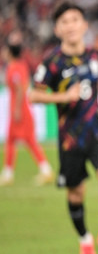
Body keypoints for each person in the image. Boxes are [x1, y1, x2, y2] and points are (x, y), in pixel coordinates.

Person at [29, 1, 98, 254]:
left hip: (97, 128)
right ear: (57, 29)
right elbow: (33, 93)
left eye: (75, 20)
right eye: (64, 22)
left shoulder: (96, 55)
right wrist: (64, 96)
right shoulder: (52, 63)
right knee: (75, 194)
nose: (70, 26)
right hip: (70, 136)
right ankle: (85, 240)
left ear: (84, 25)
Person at [1, 30, 54, 186]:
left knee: (26, 140)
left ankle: (43, 170)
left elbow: (19, 89)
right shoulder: (18, 65)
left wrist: (16, 110)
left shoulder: (15, 68)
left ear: (10, 52)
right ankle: (10, 172)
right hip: (20, 108)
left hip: (20, 109)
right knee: (15, 140)